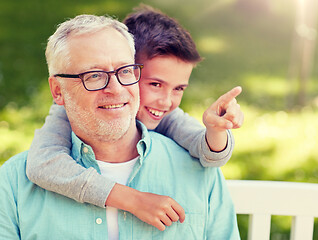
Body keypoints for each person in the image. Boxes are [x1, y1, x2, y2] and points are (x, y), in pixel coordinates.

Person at [0, 14, 240, 239]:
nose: (115, 88)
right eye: (94, 75)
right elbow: (42, 162)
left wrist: (217, 131)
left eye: (124, 71)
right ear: (57, 91)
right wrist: (131, 199)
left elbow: (207, 147)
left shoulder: (196, 169)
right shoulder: (14, 181)